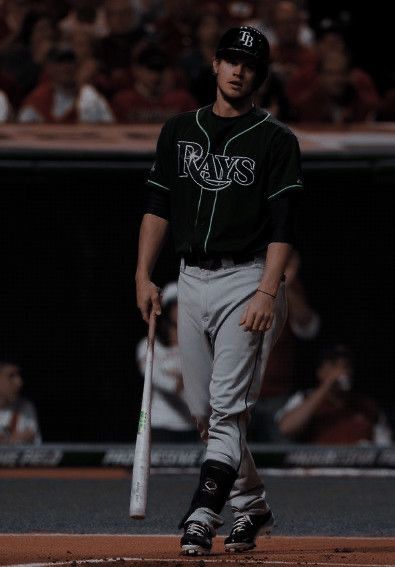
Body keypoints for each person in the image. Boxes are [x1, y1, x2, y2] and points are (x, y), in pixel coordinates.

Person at [135, 26, 303, 555]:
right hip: (190, 279)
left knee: (227, 410)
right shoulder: (179, 130)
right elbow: (158, 206)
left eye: (249, 64)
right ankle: (252, 506)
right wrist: (143, 274)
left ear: (260, 74)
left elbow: (284, 226)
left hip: (247, 279)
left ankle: (202, 514)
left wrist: (268, 293)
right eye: (231, 60)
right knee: (208, 414)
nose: (238, 70)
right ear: (215, 64)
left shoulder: (276, 140)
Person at [248, 249, 321, 442]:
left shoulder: (290, 287)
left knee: (282, 456)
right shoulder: (243, 280)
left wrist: (284, 282)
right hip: (240, 389)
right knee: (233, 455)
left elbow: (308, 327)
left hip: (277, 395)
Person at [276, 344, 393, 445]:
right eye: (334, 365)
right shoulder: (305, 397)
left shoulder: (367, 405)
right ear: (320, 371)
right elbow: (286, 428)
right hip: (321, 468)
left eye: (346, 366)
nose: (341, 371)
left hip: (360, 468)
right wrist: (327, 384)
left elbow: (385, 448)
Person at [135, 282, 198, 442]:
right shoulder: (148, 345)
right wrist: (183, 384)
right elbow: (159, 380)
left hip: (192, 427)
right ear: (168, 308)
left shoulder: (198, 346)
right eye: (177, 304)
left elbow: (204, 383)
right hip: (161, 426)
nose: (181, 309)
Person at [18, 43, 114, 123]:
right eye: (61, 62)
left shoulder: (91, 97)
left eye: (70, 62)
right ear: (49, 68)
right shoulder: (38, 99)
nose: (66, 67)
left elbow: (109, 130)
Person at [112, 44, 196, 123]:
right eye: (151, 68)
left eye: (160, 68)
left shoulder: (183, 100)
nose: (155, 75)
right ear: (137, 70)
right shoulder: (123, 101)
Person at [0, 359, 41, 444]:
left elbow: (37, 450)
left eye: (19, 376)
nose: (19, 382)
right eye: (11, 376)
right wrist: (11, 440)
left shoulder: (25, 407)